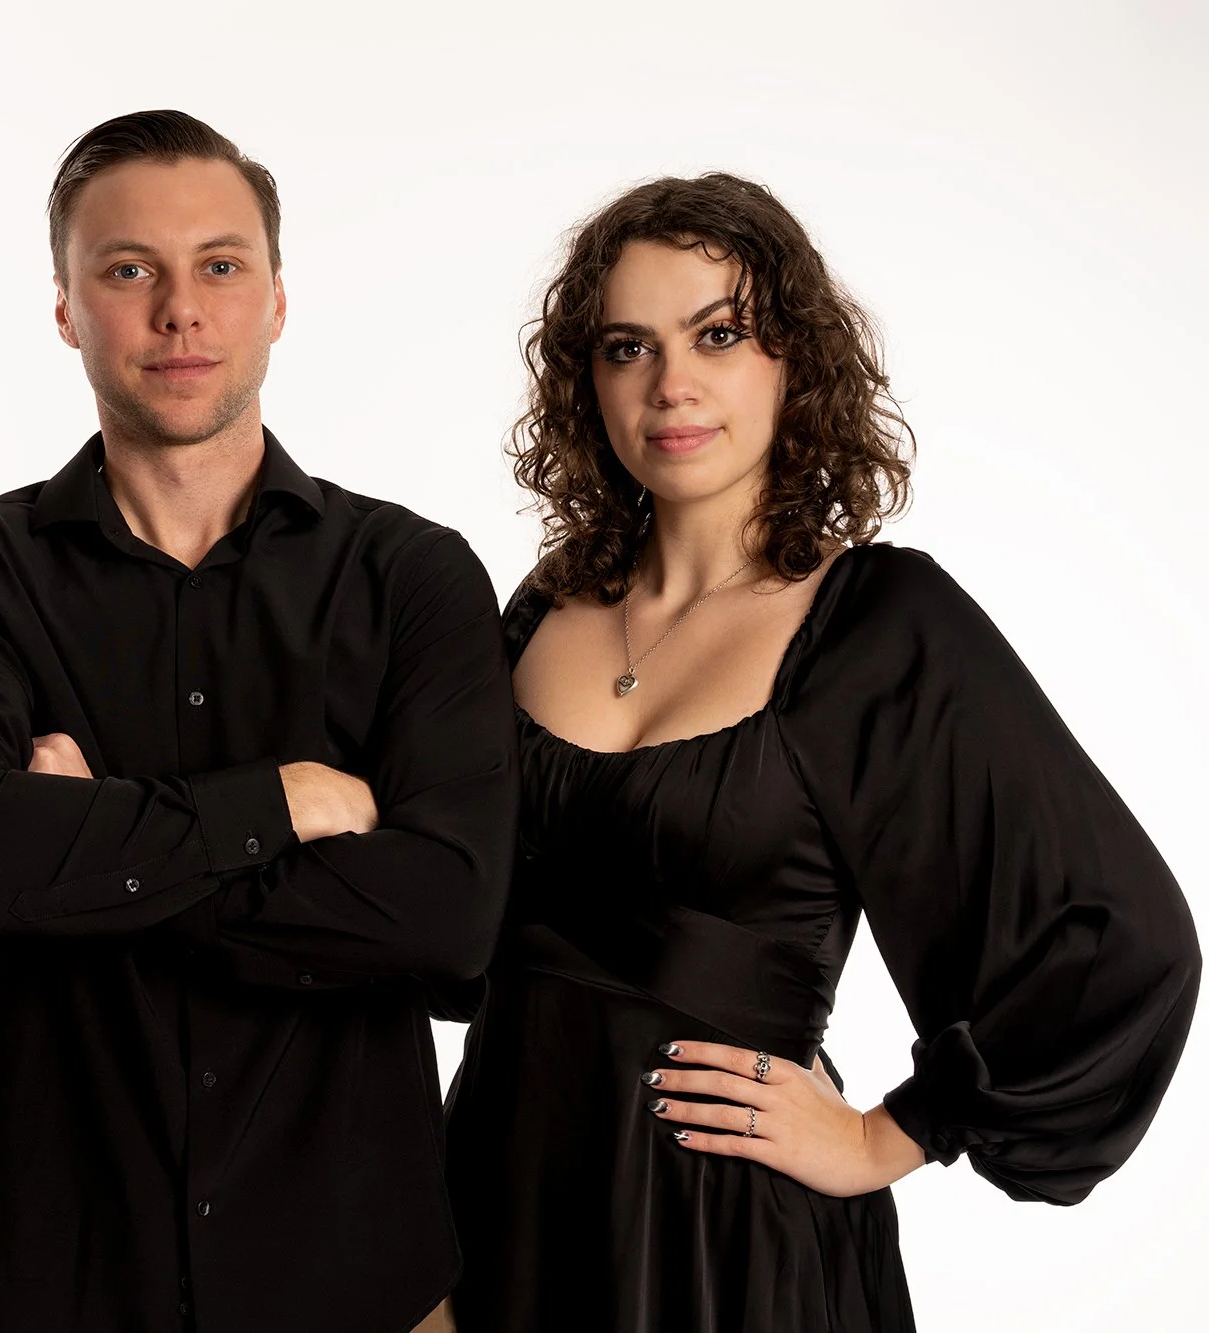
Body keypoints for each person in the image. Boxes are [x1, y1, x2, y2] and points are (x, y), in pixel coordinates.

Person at [441, 171, 1200, 1331]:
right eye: (625, 346)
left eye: (719, 334)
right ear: (581, 380)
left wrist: (886, 1135)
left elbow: (1117, 939)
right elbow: (439, 904)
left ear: (792, 357)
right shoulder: (542, 605)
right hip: (495, 1203)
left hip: (731, 1239)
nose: (670, 385)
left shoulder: (875, 621)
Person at [0, 110, 517, 1333]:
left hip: (363, 1291)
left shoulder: (412, 575)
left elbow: (449, 919)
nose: (179, 309)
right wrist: (277, 806)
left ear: (276, 300)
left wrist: (93, 854)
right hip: (56, 1287)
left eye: (219, 267)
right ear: (67, 307)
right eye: (128, 270)